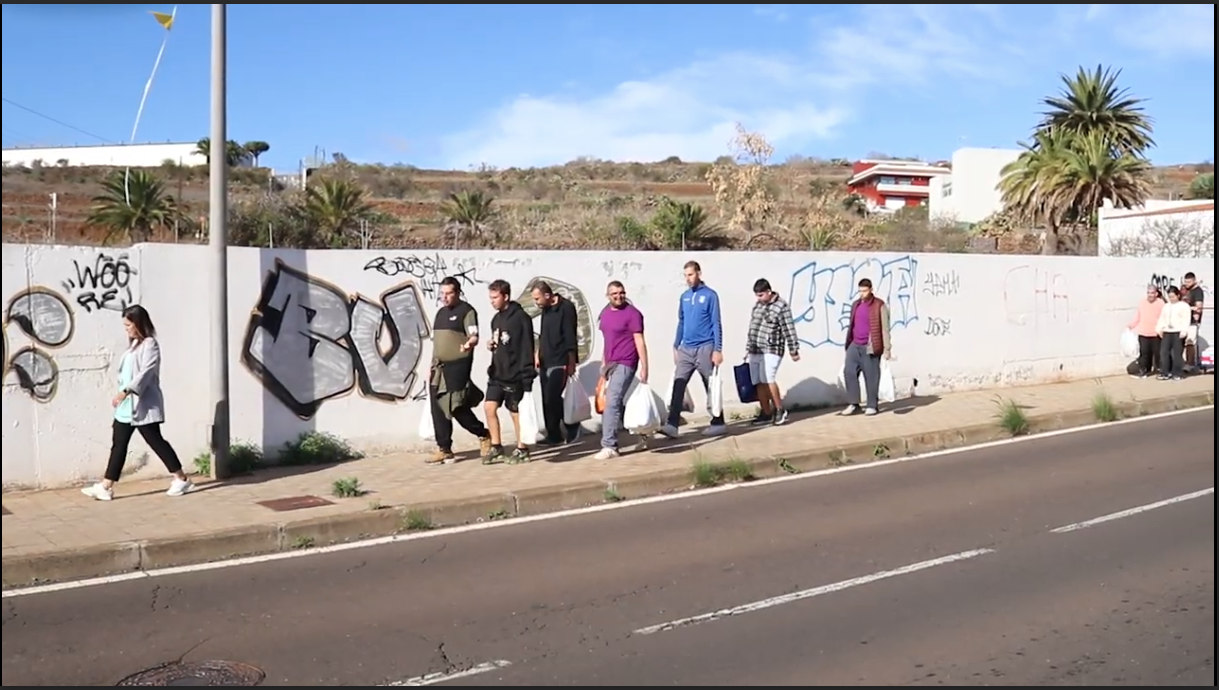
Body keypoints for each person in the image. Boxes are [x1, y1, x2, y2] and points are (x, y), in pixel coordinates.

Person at [81, 305, 192, 501]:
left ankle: (181, 478)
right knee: (119, 445)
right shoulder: (133, 346)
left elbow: (146, 373)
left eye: (128, 325)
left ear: (139, 324)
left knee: (156, 441)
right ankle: (106, 486)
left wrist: (125, 392)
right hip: (126, 408)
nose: (126, 329)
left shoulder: (150, 344)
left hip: (142, 406)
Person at [427, 277, 491, 465]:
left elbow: (474, 336)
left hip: (458, 366)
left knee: (456, 406)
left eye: (449, 293)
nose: (444, 297)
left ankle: (483, 434)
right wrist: (430, 367)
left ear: (458, 293)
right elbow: (437, 343)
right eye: (442, 293)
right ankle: (444, 448)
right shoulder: (440, 314)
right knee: (438, 407)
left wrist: (469, 343)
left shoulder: (467, 311)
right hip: (439, 367)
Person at [661, 261, 727, 439]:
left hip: (705, 347)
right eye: (685, 275)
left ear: (699, 273)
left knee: (710, 385)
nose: (688, 279)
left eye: (690, 274)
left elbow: (716, 323)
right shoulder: (684, 297)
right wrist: (676, 345)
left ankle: (718, 422)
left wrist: (717, 349)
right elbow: (681, 322)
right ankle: (672, 424)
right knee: (678, 384)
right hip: (686, 348)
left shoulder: (710, 295)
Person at [483, 279, 538, 464]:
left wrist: (527, 375)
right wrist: (491, 345)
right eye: (490, 298)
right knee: (489, 407)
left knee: (515, 412)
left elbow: (526, 347)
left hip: (515, 374)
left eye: (495, 297)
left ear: (506, 296)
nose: (492, 301)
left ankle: (522, 448)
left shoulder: (521, 318)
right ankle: (496, 446)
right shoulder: (496, 319)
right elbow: (501, 342)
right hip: (497, 373)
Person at [594, 281, 649, 460]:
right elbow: (608, 341)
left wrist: (645, 367)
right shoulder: (605, 315)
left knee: (612, 401)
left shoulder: (633, 314)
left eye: (621, 292)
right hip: (611, 363)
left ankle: (609, 446)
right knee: (618, 403)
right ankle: (643, 432)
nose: (618, 296)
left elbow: (639, 340)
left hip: (626, 362)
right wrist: (604, 364)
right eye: (614, 294)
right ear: (608, 296)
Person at [744, 278, 801, 426]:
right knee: (758, 381)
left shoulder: (781, 306)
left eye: (761, 295)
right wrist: (748, 347)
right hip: (756, 348)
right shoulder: (758, 305)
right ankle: (766, 412)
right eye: (757, 295)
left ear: (769, 292)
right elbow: (752, 327)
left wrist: (793, 349)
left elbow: (789, 328)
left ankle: (779, 409)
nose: (759, 298)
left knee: (768, 378)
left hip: (772, 348)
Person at [531, 281, 581, 446]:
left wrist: (571, 361)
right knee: (546, 399)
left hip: (561, 360)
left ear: (547, 295)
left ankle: (572, 425)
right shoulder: (545, 308)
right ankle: (554, 435)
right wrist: (538, 353)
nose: (536, 302)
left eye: (537, 298)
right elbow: (544, 333)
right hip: (546, 360)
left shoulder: (566, 307)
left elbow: (570, 335)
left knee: (553, 396)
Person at [841, 278, 892, 416]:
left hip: (870, 346)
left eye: (864, 291)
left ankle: (872, 405)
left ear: (871, 290)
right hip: (854, 344)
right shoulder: (856, 304)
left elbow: (885, 329)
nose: (862, 294)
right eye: (860, 291)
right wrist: (850, 343)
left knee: (871, 376)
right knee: (849, 372)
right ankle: (853, 403)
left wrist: (887, 349)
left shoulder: (879, 305)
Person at [1127, 284, 1164, 378]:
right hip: (1143, 332)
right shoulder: (1142, 302)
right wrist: (1131, 326)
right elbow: (1138, 316)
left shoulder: (1161, 303)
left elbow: (1164, 318)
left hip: (1156, 333)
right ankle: (1144, 370)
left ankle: (1160, 369)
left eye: (1152, 293)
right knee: (1144, 353)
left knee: (1158, 353)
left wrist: (1162, 330)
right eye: (1148, 293)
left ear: (1156, 294)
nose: (1150, 295)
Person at [1156, 286, 1191, 381]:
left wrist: (1184, 331)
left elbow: (1186, 319)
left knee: (1177, 354)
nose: (1171, 299)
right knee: (1164, 353)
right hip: (1167, 331)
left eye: (1173, 296)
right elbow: (1162, 318)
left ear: (1178, 295)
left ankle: (1177, 373)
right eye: (1169, 297)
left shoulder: (1184, 306)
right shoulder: (1166, 306)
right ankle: (1165, 372)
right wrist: (1159, 329)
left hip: (1178, 332)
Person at [1181, 272, 1205, 366]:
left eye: (1189, 282)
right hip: (1182, 321)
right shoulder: (1184, 290)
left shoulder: (1198, 291)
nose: (1187, 284)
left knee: (1190, 342)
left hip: (1192, 321)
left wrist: (1186, 308)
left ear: (1194, 281)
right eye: (1185, 282)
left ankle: (1190, 364)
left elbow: (1198, 307)